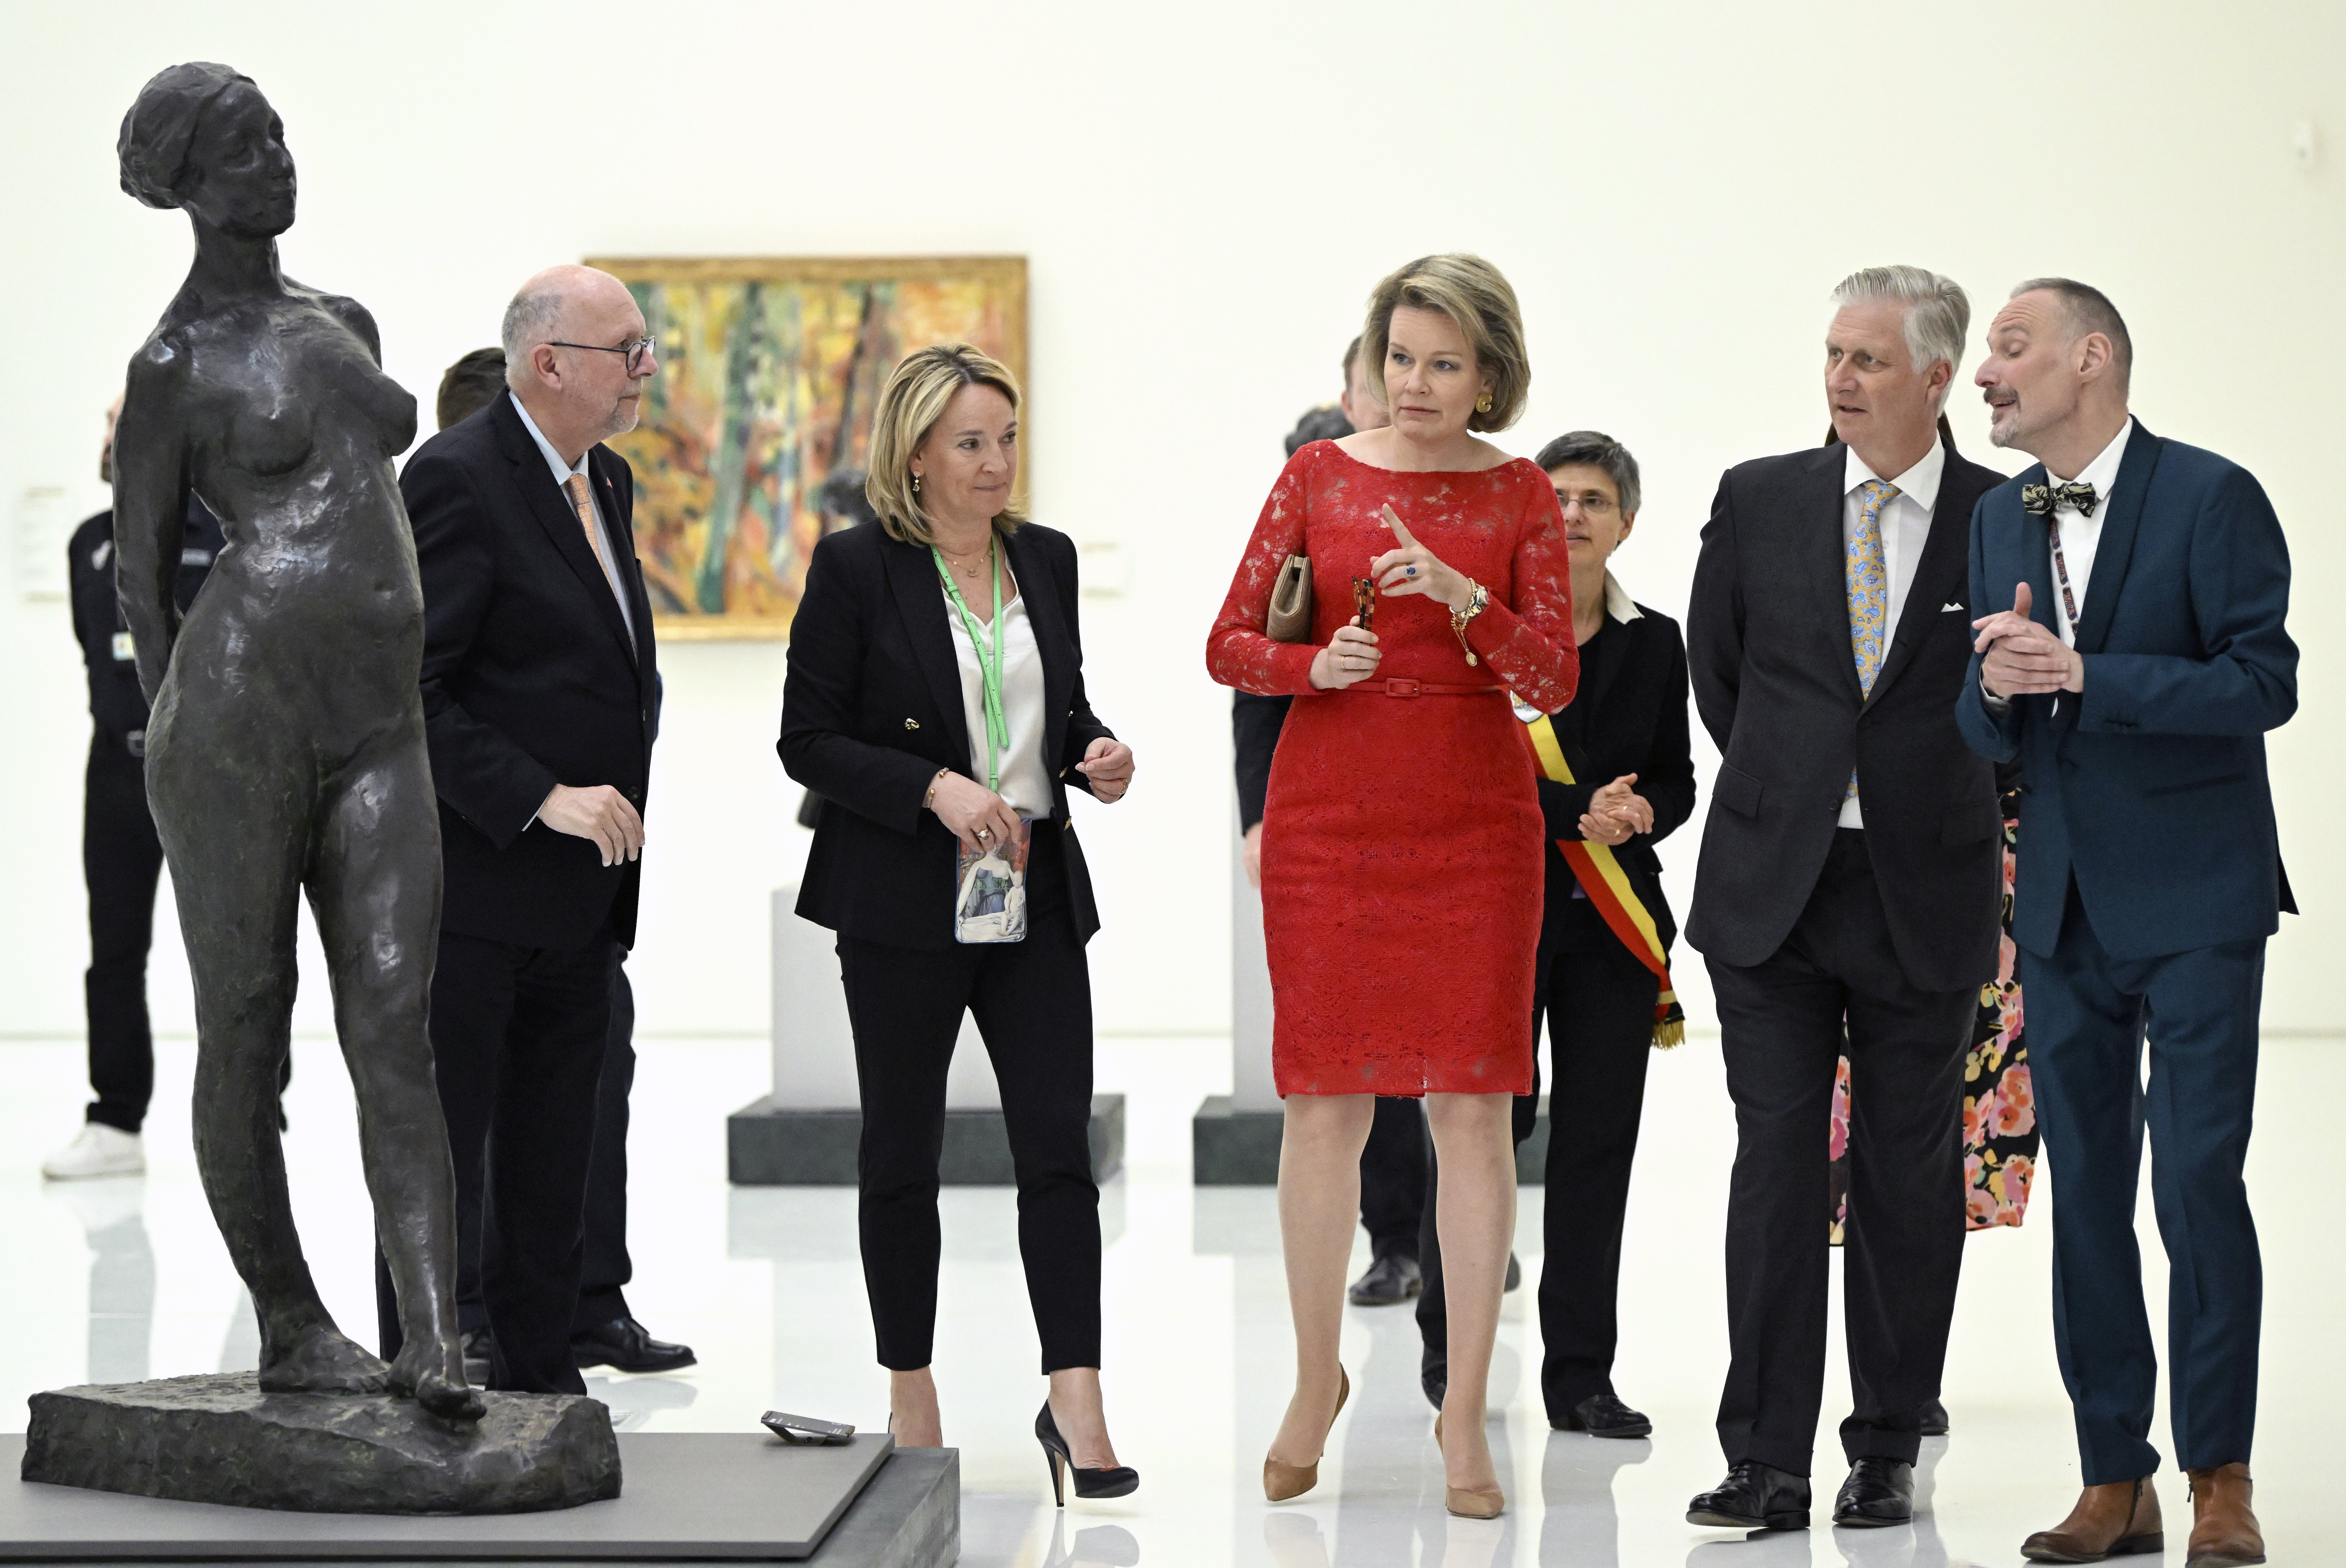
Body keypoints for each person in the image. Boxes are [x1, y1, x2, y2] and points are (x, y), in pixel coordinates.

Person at [111, 60, 475, 1418]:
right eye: (247, 145)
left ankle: (437, 1337)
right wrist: (178, 735)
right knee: (247, 1031)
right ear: (190, 181)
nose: (280, 160)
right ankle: (291, 1322)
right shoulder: (173, 365)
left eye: (279, 134)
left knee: (395, 1025)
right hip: (237, 720)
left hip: (383, 724)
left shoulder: (346, 319)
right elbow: (143, 574)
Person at [1208, 253, 1578, 1520]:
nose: (1419, 383)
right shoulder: (1316, 475)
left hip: (1476, 822)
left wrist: (1473, 603)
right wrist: (1316, 665)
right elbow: (1229, 643)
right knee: (1325, 1106)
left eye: (1448, 363)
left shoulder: (1523, 494)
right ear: (1374, 359)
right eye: (1404, 356)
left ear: (1491, 375)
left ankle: (1463, 1411)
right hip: (1333, 815)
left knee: (1473, 1113)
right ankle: (1317, 1382)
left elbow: (1554, 680)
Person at [1959, 280, 2295, 1568]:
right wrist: (1993, 690)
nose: (1987, 371)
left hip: (2202, 899)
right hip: (2060, 904)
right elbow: (1981, 718)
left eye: (2010, 345)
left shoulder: (2215, 496)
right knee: (2089, 1194)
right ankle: (2116, 1476)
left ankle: (2221, 1475)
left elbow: (2265, 682)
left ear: (2089, 358)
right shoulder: (1998, 517)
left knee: (2197, 1179)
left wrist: (2091, 673)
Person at [778, 343, 1138, 1504]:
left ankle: (1074, 1393)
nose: (996, 463)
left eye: (1007, 438)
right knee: (902, 1153)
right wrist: (932, 787)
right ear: (916, 456)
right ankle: (911, 1385)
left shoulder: (1045, 557)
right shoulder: (854, 570)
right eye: (971, 443)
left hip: (1030, 894)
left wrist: (1094, 753)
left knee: (1056, 1151)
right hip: (898, 900)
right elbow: (809, 738)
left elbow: (1058, 703)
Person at [1683, 266, 2008, 1533]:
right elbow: (1724, 674)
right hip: (1776, 887)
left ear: (1938, 376)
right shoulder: (1759, 499)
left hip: (1924, 884)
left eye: (1870, 359)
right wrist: (1800, 788)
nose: (1841, 378)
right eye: (1833, 354)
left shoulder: (2004, 515)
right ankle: (1764, 1457)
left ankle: (1886, 1445)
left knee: (1905, 1171)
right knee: (1774, 1159)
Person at [380, 264, 661, 1396]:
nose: (646, 369)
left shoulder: (609, 479)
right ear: (550, 363)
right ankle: (425, 1368)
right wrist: (541, 794)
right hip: (476, 884)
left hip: (580, 894)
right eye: (626, 349)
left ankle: (544, 1379)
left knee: (554, 1151)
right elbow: (411, 687)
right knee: (444, 1148)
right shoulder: (453, 477)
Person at [1412, 431, 1693, 1441]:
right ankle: (1452, 1349)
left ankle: (1582, 1376)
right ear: (1528, 515)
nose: (1574, 514)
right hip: (1496, 914)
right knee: (1482, 1134)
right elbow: (1461, 776)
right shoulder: (1485, 628)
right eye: (1557, 497)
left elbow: (1677, 777)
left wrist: (1641, 814)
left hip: (1614, 924)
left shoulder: (1657, 640)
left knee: (1596, 1147)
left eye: (1596, 500)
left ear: (1628, 522)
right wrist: (1579, 809)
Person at [1236, 338, 1433, 1311]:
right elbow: (1251, 669)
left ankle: (1456, 1234)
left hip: (1448, 818)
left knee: (1453, 1046)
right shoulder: (1310, 494)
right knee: (1356, 1050)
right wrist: (1257, 814)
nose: (1399, 393)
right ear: (1352, 391)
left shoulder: (1474, 492)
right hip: (1330, 809)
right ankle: (1395, 1236)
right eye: (1382, 375)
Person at [43, 399, 227, 1181]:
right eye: (112, 425)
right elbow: (99, 656)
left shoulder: (219, 542)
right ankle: (116, 1119)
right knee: (115, 949)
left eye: (130, 424)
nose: (115, 438)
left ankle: (252, 1101)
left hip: (211, 779)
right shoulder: (88, 542)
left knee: (232, 950)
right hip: (116, 775)